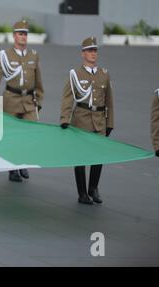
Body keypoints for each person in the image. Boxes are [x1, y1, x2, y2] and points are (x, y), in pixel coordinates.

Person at [0, 20, 44, 182]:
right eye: (20, 33)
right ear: (14, 36)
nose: (23, 36)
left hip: (29, 101)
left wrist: (39, 100)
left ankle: (22, 162)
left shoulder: (33, 56)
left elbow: (38, 81)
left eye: (25, 34)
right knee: (12, 136)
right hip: (11, 99)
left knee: (28, 135)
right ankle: (13, 168)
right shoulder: (5, 56)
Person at [60, 37, 114, 205]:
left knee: (99, 156)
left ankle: (93, 188)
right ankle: (82, 192)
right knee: (81, 157)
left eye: (95, 51)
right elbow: (67, 98)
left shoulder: (104, 74)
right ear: (83, 53)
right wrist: (64, 119)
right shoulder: (75, 74)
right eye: (90, 51)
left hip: (99, 120)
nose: (93, 54)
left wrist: (110, 123)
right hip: (81, 118)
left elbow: (109, 101)